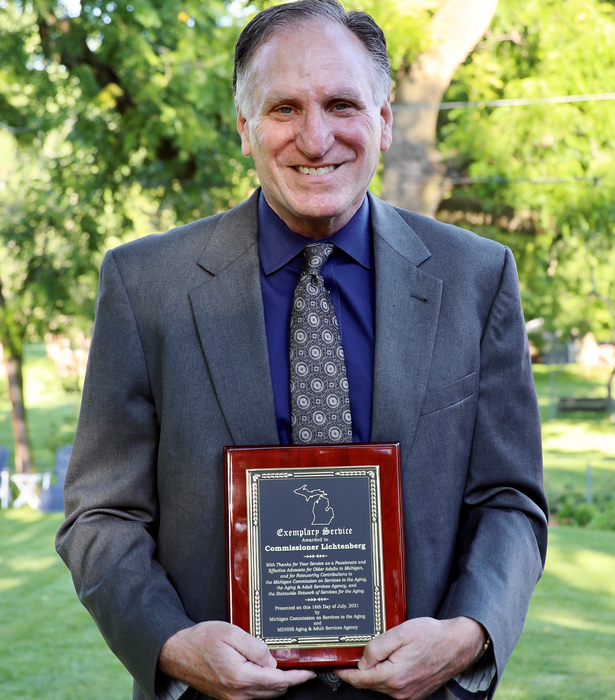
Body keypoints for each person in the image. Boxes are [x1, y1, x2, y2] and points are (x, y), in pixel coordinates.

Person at [56, 2, 548, 700]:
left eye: (341, 104)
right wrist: (168, 641)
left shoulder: (475, 276)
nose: (315, 139)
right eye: (283, 108)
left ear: (381, 121)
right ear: (243, 130)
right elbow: (101, 514)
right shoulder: (146, 286)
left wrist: (469, 631)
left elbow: (509, 498)